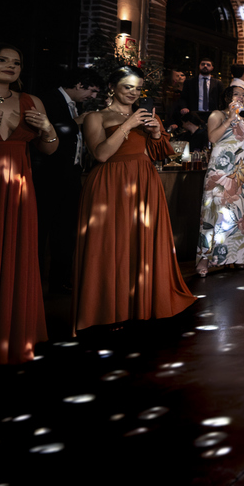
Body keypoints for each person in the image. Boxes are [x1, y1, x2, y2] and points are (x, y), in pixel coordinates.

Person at [74, 65, 196, 332]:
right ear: (112, 87)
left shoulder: (148, 116)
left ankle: (144, 304)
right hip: (109, 184)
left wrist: (155, 133)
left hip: (144, 182)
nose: (133, 93)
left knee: (142, 242)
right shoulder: (95, 117)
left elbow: (161, 154)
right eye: (128, 87)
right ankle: (107, 310)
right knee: (110, 245)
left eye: (138, 89)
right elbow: (101, 154)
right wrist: (128, 125)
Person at [0, 44, 54, 363]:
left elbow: (49, 148)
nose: (10, 65)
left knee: (13, 252)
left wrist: (47, 129)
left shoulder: (32, 101)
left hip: (17, 188)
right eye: (2, 59)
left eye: (16, 62)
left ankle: (8, 332)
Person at [33, 66, 101, 293]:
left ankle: (60, 282)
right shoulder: (47, 99)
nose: (93, 96)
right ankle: (34, 284)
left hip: (71, 175)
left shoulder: (76, 105)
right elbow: (46, 131)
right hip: (47, 176)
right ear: (79, 84)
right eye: (92, 90)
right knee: (41, 231)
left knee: (66, 231)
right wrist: (77, 121)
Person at [196, 85, 244, 276]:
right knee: (213, 214)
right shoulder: (217, 115)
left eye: (243, 95)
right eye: (236, 94)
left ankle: (237, 256)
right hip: (219, 172)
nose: (241, 98)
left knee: (237, 216)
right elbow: (212, 138)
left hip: (239, 173)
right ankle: (205, 259)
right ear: (227, 97)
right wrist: (229, 119)